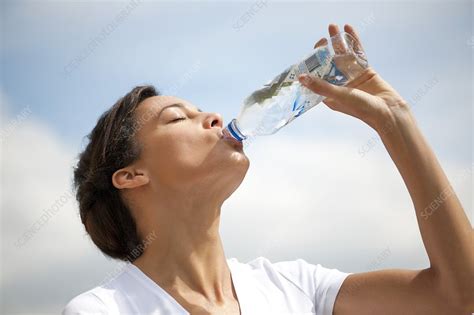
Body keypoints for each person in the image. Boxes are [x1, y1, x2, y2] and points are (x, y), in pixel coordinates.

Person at [62, 24, 472, 315]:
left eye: (201, 110)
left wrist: (395, 122)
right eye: (176, 118)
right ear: (131, 176)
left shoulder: (298, 289)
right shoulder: (102, 309)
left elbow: (459, 294)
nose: (214, 118)